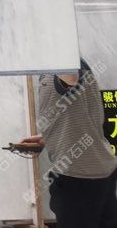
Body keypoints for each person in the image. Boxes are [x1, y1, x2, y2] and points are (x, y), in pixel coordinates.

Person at [21, 60, 117, 227]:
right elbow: (78, 114)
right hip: (98, 170)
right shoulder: (64, 67)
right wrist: (48, 138)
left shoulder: (62, 62)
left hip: (79, 176)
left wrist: (53, 52)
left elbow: (71, 78)